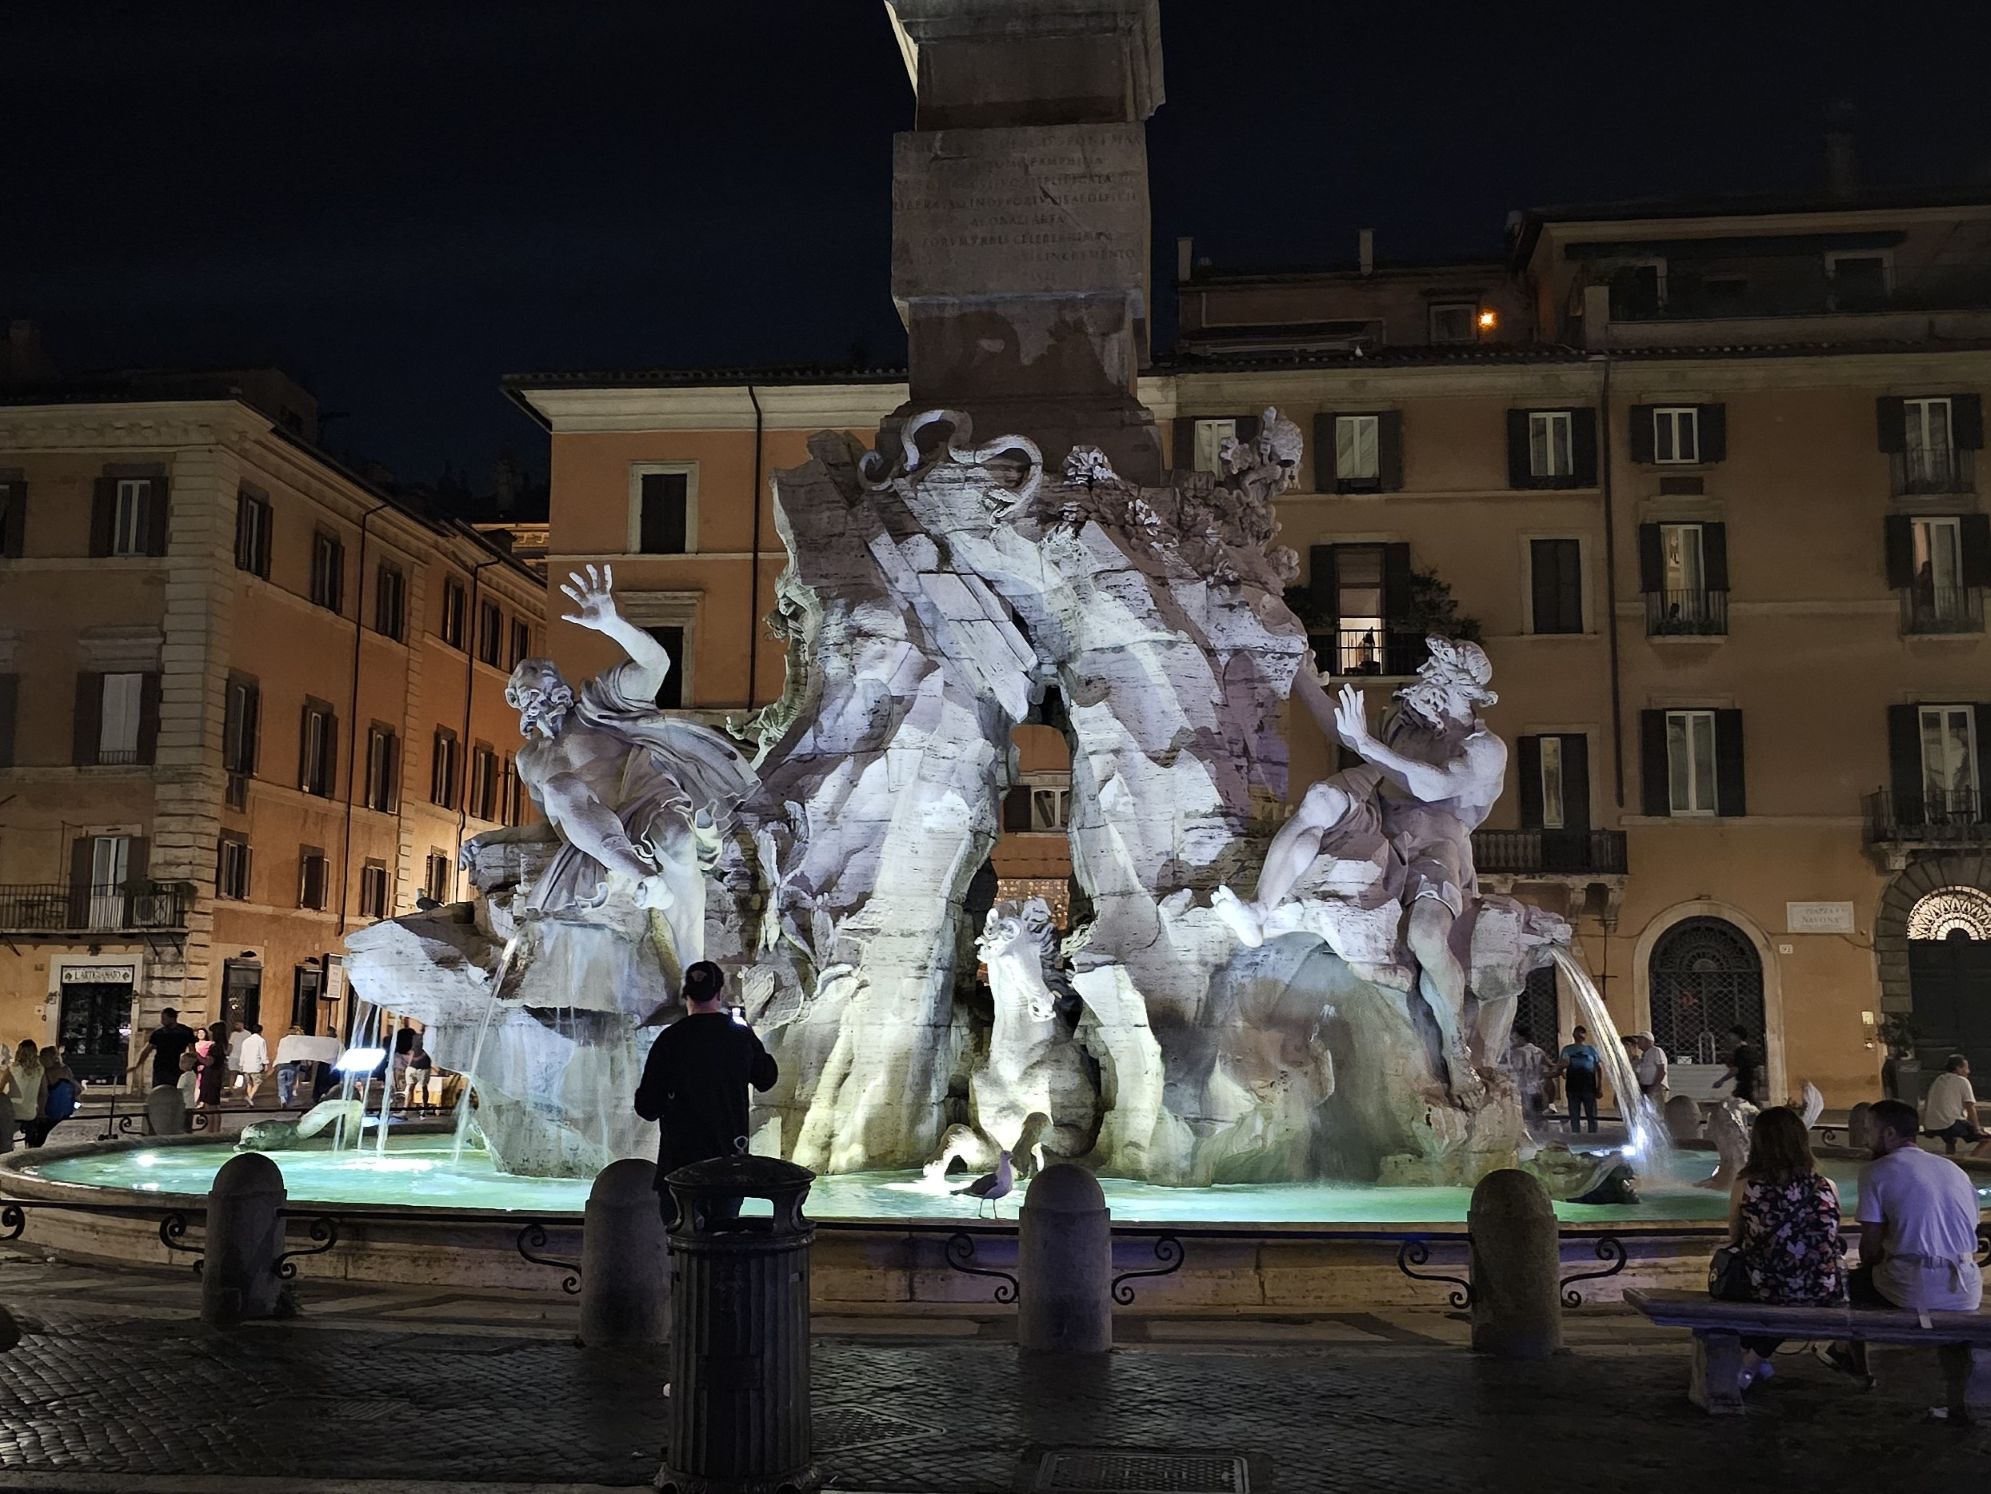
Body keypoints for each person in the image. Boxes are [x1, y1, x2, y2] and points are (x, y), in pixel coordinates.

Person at [1823, 1098, 1985, 1383]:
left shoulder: (1876, 1172)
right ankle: (1957, 1401)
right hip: (1966, 1287)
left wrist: (1879, 1257)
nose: (1865, 1138)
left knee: (1845, 1283)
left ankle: (1851, 1356)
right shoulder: (1954, 1170)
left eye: (1869, 1130)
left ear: (1888, 1134)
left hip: (1912, 1288)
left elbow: (1870, 1249)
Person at [634, 962, 778, 1226]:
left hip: (680, 1166)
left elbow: (647, 1107)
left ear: (686, 995)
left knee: (680, 1243)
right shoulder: (740, 1037)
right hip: (729, 1163)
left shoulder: (670, 1039)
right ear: (719, 994)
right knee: (724, 1240)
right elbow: (767, 1079)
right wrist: (748, 1032)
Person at [1723, 1105, 1846, 1389]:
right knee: (1792, 1283)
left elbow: (1735, 1236)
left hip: (1766, 1286)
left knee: (1734, 1271)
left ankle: (1748, 1363)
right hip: (1821, 1288)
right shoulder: (1827, 1186)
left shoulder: (1747, 1184)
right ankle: (1756, 1358)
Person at [1921, 1054, 1990, 1159]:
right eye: (1966, 1068)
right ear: (1958, 1068)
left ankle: (1950, 1160)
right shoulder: (1962, 1081)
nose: (1968, 1071)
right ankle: (1970, 1163)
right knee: (1987, 1139)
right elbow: (1970, 1107)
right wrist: (1977, 1129)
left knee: (1951, 1139)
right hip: (1949, 1124)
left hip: (1931, 1125)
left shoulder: (1938, 1080)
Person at [129, 1008, 198, 1092]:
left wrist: (191, 1066)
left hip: (177, 1067)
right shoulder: (158, 1033)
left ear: (172, 1018)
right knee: (160, 1092)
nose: (162, 1021)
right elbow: (147, 1050)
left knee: (175, 1092)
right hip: (161, 1067)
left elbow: (192, 1051)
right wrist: (137, 1064)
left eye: (164, 1019)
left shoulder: (185, 1031)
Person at [26, 1047, 79, 1146]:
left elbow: (43, 1094)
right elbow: (77, 1089)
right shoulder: (66, 1069)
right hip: (65, 1110)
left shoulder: (45, 1072)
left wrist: (40, 1112)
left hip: (50, 1111)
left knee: (34, 1127)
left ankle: (31, 1147)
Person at [1558, 1025, 1603, 1133]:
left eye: (1581, 1032)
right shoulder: (1567, 1049)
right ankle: (1575, 1136)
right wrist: (1562, 1072)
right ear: (1573, 1035)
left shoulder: (1591, 1050)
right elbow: (1561, 1064)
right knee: (1574, 1115)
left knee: (1591, 1114)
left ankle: (1593, 1137)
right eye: (1577, 1032)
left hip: (1588, 1086)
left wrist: (1599, 1086)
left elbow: (1599, 1068)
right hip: (1572, 1086)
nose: (1579, 1035)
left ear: (1585, 1035)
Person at [1503, 1026, 1551, 1121]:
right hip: (1537, 1088)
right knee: (1538, 1115)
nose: (1513, 1041)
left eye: (1515, 1038)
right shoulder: (1538, 1051)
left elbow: (1515, 1069)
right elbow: (1549, 1065)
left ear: (1522, 1038)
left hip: (1523, 1088)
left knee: (1525, 1116)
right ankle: (1539, 1132)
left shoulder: (1518, 1052)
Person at [4, 1040, 45, 1141]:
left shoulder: (11, 1068)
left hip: (12, 1112)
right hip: (30, 1113)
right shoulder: (40, 1070)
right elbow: (44, 1093)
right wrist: (40, 1112)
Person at [1714, 1024, 1761, 1105]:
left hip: (1745, 1084)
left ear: (1737, 1036)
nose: (1729, 1037)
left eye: (1731, 1035)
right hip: (1751, 1083)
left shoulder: (1740, 1051)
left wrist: (1721, 1081)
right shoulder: (1751, 1050)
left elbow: (1736, 1069)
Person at [195, 1022, 229, 1111]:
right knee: (215, 1106)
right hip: (216, 1077)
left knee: (210, 1106)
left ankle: (211, 1125)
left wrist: (197, 1055)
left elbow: (208, 1062)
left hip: (211, 1077)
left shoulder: (215, 1047)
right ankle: (214, 1125)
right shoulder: (222, 1046)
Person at [232, 1022, 269, 1104]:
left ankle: (250, 1101)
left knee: (249, 1084)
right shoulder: (261, 1041)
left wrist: (241, 1064)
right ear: (260, 1031)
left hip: (246, 1065)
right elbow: (263, 1053)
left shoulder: (246, 1041)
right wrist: (265, 1063)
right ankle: (250, 1097)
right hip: (256, 1065)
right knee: (257, 1082)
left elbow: (243, 1053)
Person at [1632, 1032, 1670, 1107]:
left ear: (1647, 1041)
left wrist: (1654, 1086)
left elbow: (1661, 1070)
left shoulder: (1656, 1051)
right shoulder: (1644, 1055)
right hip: (1646, 1087)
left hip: (1656, 1087)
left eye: (1640, 1039)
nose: (1638, 1042)